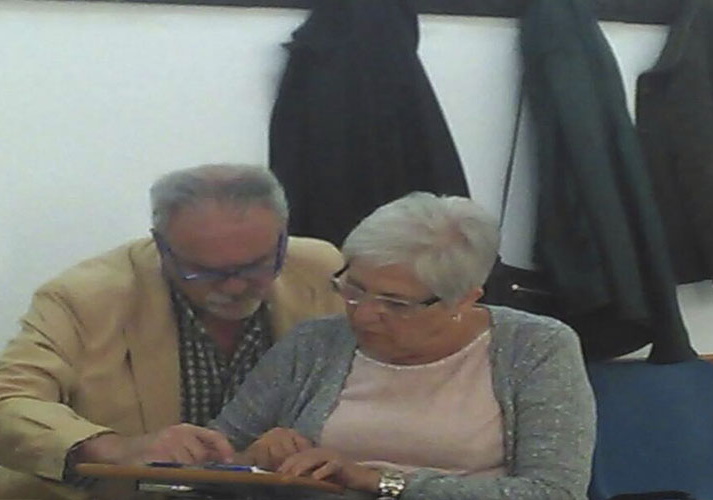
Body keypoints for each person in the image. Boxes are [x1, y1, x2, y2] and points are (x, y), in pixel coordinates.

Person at [0, 164, 345, 500]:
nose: (234, 287)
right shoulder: (86, 297)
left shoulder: (321, 271)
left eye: (256, 266)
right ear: (160, 246)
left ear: (283, 237)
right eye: (205, 272)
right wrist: (115, 449)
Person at [211, 191, 597, 500]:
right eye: (353, 289)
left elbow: (554, 492)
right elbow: (218, 457)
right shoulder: (313, 342)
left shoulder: (535, 346)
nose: (363, 315)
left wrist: (379, 481)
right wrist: (254, 456)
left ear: (463, 299)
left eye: (395, 304)